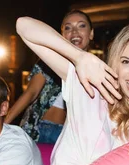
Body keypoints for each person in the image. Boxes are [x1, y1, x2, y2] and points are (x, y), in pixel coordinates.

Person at [16, 16, 129, 165]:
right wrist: (79, 57)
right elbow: (24, 26)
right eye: (126, 62)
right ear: (116, 63)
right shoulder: (90, 91)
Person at [5, 10, 95, 144]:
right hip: (41, 129)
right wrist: (3, 124)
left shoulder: (96, 69)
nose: (74, 32)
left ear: (91, 33)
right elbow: (31, 93)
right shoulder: (50, 60)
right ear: (62, 35)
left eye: (81, 26)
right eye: (68, 28)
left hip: (72, 139)